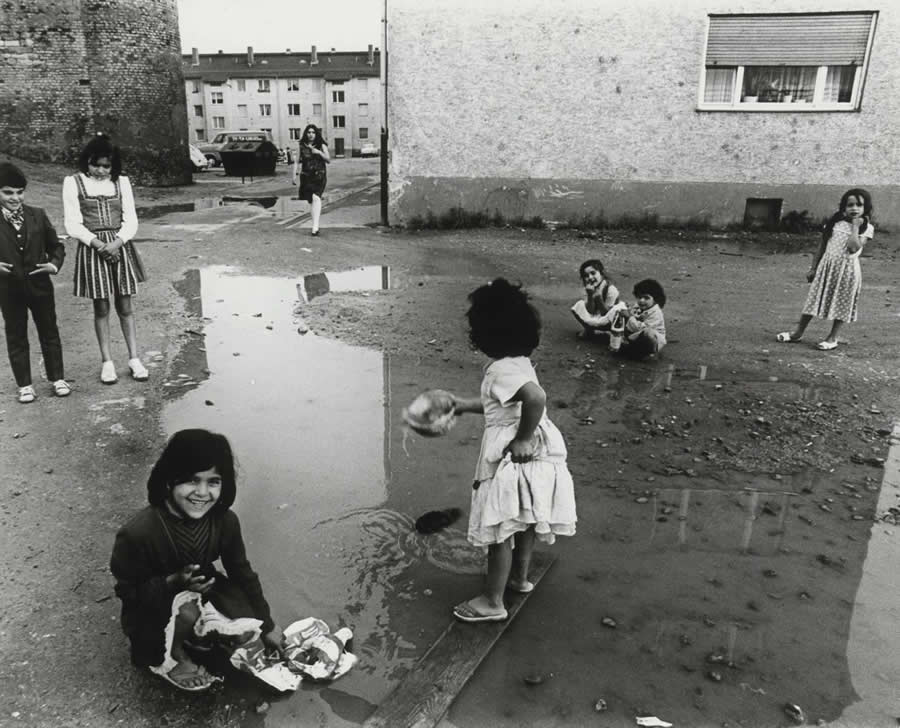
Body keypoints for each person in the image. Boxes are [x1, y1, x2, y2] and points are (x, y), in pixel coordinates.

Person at [110, 429, 285, 692]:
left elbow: (242, 572)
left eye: (213, 481)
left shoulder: (225, 521)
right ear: (169, 480)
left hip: (202, 588)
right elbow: (128, 591)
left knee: (249, 629)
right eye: (192, 480)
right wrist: (173, 582)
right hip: (152, 607)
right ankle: (174, 653)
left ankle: (196, 633)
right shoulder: (138, 532)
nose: (202, 493)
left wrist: (268, 623)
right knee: (187, 611)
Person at [445, 278, 576, 622]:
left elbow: (535, 397)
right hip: (540, 454)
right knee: (525, 520)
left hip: (514, 455)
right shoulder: (519, 361)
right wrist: (463, 405)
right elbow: (501, 404)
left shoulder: (500, 368)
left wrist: (521, 438)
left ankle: (493, 601)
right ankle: (518, 578)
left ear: (485, 333)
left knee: (500, 528)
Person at [63, 134, 148, 384]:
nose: (100, 170)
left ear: (113, 165)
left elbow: (131, 220)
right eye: (95, 164)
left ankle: (134, 358)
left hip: (119, 245)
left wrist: (117, 242)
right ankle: (107, 362)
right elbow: (72, 223)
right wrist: (99, 244)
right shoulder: (73, 182)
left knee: (125, 306)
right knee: (101, 307)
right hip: (93, 247)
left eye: (106, 165)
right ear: (86, 162)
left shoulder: (121, 182)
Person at [0, 162, 70, 403]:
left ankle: (57, 378)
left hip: (40, 286)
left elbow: (56, 246)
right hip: (9, 289)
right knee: (16, 334)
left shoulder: (37, 215)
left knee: (49, 331)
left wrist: (53, 264)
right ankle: (25, 385)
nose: (15, 198)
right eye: (8, 192)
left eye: (20, 192)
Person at [776, 188, 874, 351]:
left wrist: (856, 227)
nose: (854, 208)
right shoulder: (835, 223)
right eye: (850, 205)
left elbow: (852, 248)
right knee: (813, 300)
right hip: (826, 267)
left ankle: (832, 337)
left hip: (847, 271)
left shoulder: (867, 229)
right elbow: (821, 247)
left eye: (859, 205)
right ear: (843, 207)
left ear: (866, 208)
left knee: (842, 304)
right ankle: (797, 333)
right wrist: (813, 268)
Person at [291, 124, 330, 236]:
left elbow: (328, 160)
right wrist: (294, 175)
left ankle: (315, 226)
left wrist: (319, 152)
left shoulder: (321, 145)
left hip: (319, 175)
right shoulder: (301, 145)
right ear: (306, 134)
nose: (311, 134)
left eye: (313, 132)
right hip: (307, 176)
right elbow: (297, 161)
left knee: (316, 198)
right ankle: (315, 225)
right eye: (309, 132)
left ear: (316, 133)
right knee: (311, 201)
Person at [616, 278, 667, 359]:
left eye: (646, 298)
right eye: (639, 297)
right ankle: (632, 349)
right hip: (636, 334)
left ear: (655, 300)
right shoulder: (638, 306)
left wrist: (629, 316)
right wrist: (628, 309)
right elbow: (633, 313)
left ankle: (649, 353)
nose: (641, 300)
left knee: (647, 333)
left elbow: (641, 328)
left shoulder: (656, 313)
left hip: (654, 340)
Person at [570, 258, 621, 338]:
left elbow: (606, 313)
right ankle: (589, 330)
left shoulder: (611, 290)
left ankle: (613, 332)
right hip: (596, 314)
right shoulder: (588, 288)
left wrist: (599, 299)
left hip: (609, 318)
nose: (590, 277)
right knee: (578, 305)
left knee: (616, 313)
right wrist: (590, 295)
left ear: (601, 273)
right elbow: (590, 310)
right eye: (586, 276)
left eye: (593, 273)